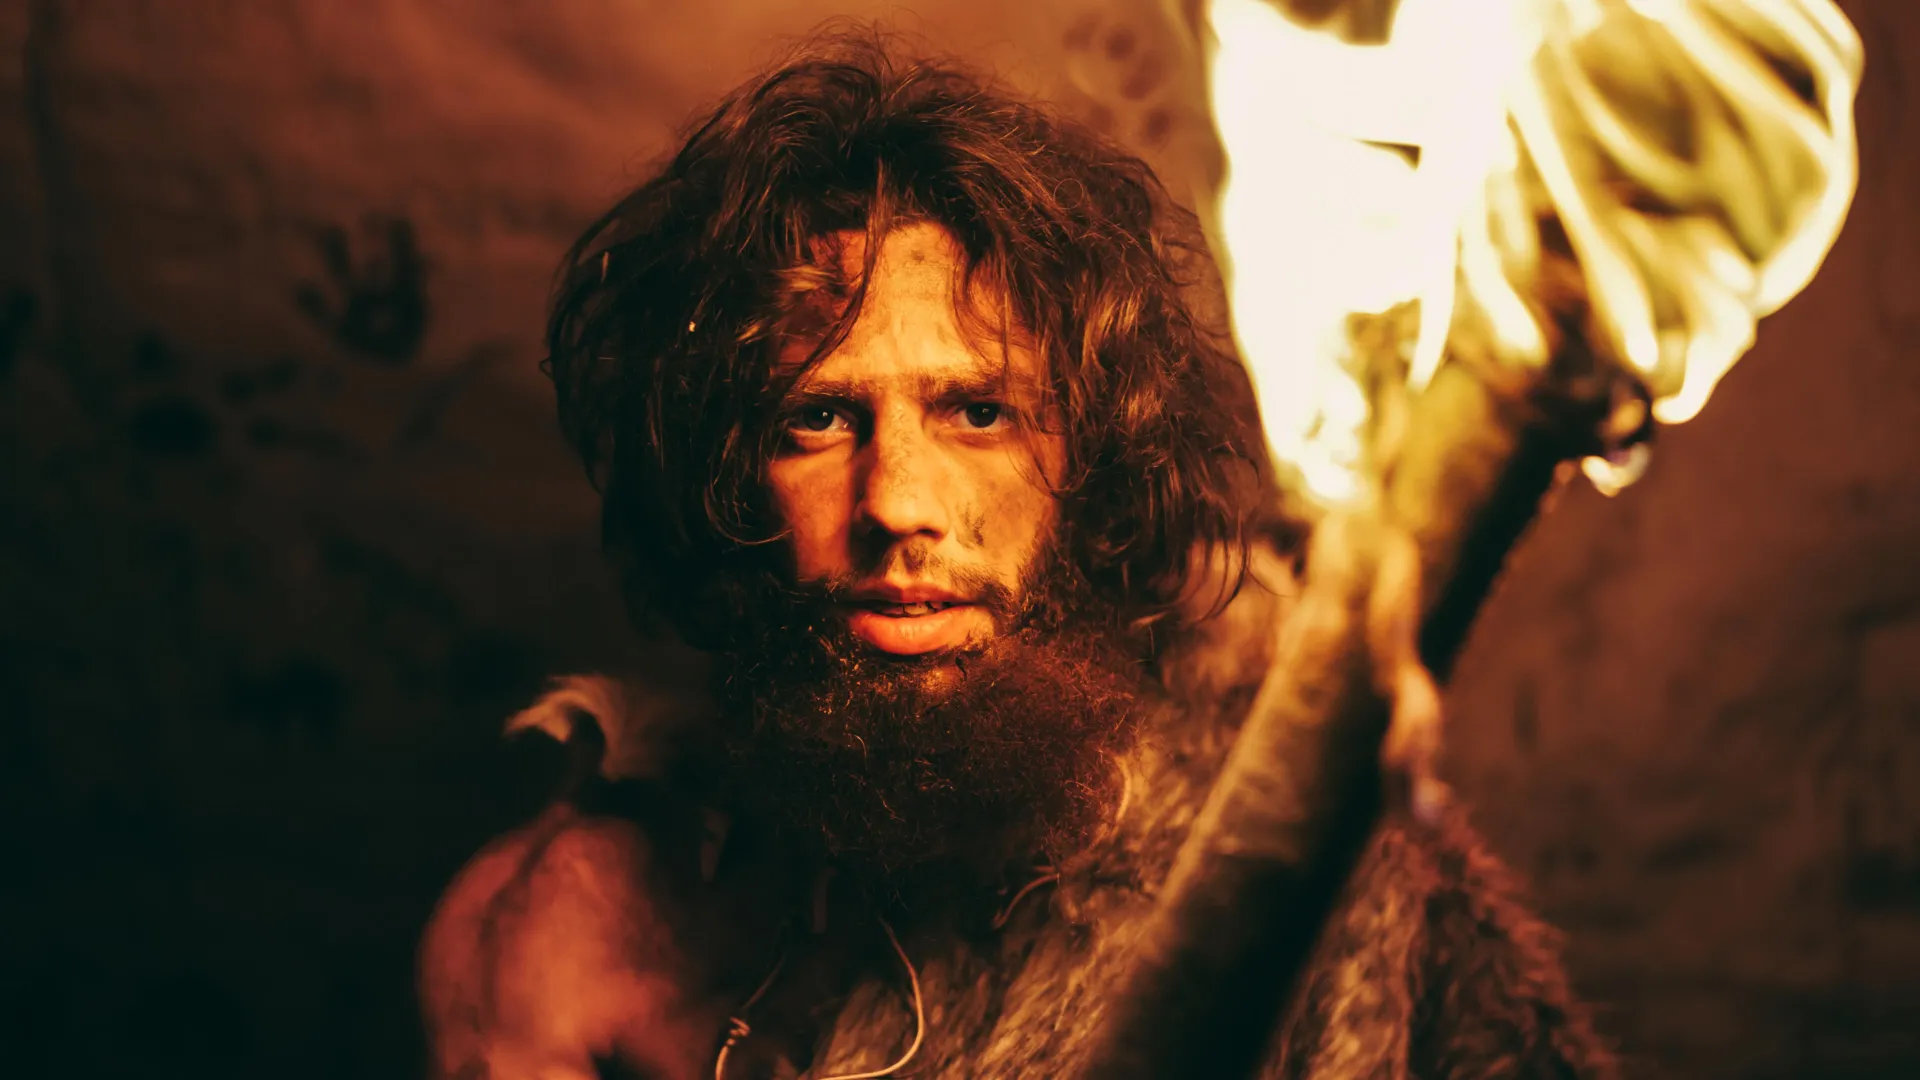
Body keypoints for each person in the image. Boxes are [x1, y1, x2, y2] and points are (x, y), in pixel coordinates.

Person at [418, 34, 1616, 1080]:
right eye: (817, 419)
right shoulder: (565, 935)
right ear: (724, 476)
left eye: (977, 413)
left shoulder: (1307, 864)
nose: (898, 504)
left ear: (1087, 457)